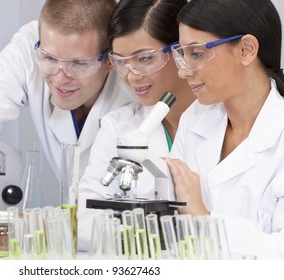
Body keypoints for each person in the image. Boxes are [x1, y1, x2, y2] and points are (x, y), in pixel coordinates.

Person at [0, 0, 135, 216]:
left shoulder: (135, 83)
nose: (61, 78)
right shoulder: (32, 44)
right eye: (49, 58)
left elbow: (101, 214)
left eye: (79, 64)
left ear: (110, 60)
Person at [166, 0, 284, 259]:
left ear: (246, 49)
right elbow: (172, 227)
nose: (183, 71)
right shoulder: (195, 118)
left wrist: (203, 217)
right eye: (181, 54)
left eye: (196, 53)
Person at [77, 0, 196, 251]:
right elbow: (85, 217)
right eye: (121, 62)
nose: (132, 75)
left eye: (144, 58)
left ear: (180, 51)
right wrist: (140, 239)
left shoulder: (220, 120)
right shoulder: (118, 126)